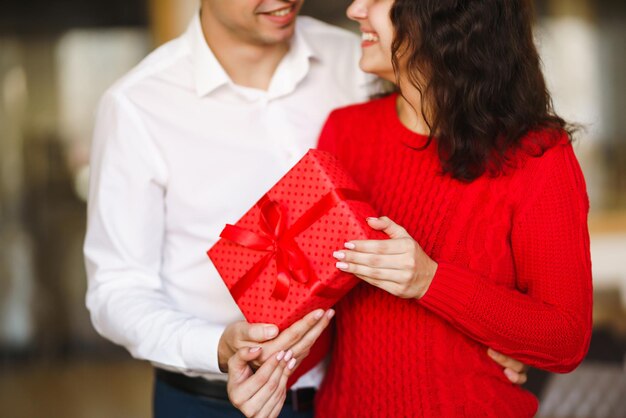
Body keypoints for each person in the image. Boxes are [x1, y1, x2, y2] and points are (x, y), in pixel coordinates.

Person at [84, 1, 530, 417]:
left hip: (355, 393)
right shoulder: (138, 106)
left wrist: (502, 328)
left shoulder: (361, 59)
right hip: (211, 401)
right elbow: (117, 289)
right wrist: (217, 346)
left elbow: (464, 177)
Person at [313, 0, 591, 416]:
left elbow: (564, 339)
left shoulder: (538, 156)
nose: (355, 9)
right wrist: (264, 352)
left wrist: (431, 281)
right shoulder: (344, 131)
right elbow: (321, 313)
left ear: (444, 16)